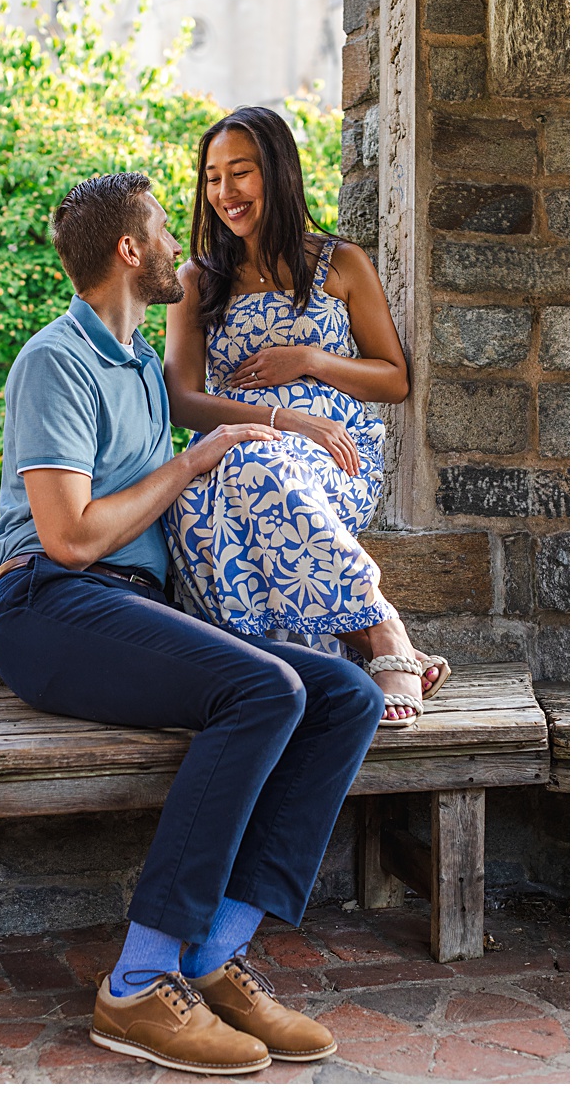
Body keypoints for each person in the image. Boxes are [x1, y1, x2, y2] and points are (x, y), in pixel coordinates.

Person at [0, 172, 385, 1075]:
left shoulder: (138, 370)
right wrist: (192, 461)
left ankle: (212, 956)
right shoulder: (57, 360)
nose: (179, 246)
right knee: (263, 687)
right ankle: (136, 980)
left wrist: (280, 423)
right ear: (128, 250)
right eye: (164, 230)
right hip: (47, 605)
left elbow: (202, 423)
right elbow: (71, 534)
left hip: (130, 607)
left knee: (345, 695)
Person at [163, 106, 449, 727]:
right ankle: (370, 632)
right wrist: (284, 419)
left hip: (337, 461)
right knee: (205, 497)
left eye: (240, 173)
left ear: (278, 173)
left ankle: (374, 635)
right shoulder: (196, 280)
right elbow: (183, 400)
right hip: (234, 460)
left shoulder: (339, 265)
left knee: (253, 462)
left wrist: (311, 360)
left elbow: (393, 378)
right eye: (212, 178)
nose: (224, 193)